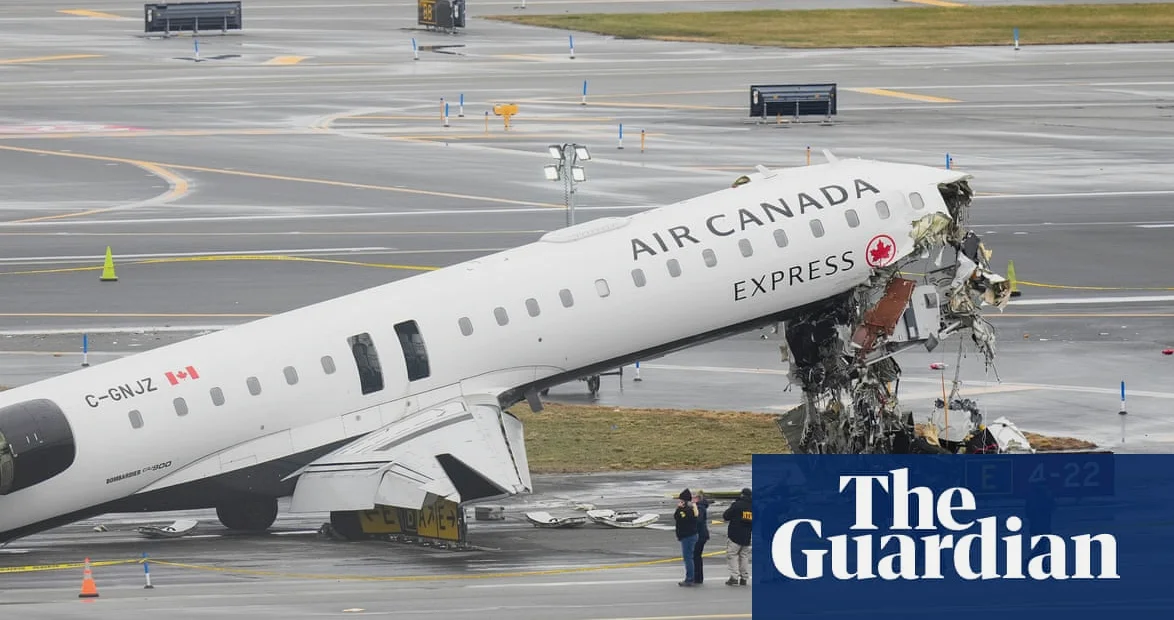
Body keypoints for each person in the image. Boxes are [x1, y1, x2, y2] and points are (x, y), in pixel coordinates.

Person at [722, 487, 752, 586]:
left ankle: (734, 577)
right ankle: (744, 577)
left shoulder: (737, 505)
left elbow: (726, 516)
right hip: (747, 535)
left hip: (735, 534)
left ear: (742, 495)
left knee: (732, 555)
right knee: (744, 556)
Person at [674, 488, 699, 586]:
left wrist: (679, 509)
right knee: (689, 557)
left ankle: (690, 579)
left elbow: (681, 518)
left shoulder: (688, 510)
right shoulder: (690, 508)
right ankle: (692, 577)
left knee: (688, 558)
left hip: (688, 536)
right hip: (688, 535)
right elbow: (677, 517)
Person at [693, 490, 711, 584]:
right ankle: (698, 577)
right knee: (697, 556)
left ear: (698, 498)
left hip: (700, 534)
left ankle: (697, 577)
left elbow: (698, 520)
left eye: (694, 498)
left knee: (696, 556)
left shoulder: (699, 507)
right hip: (702, 534)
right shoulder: (701, 506)